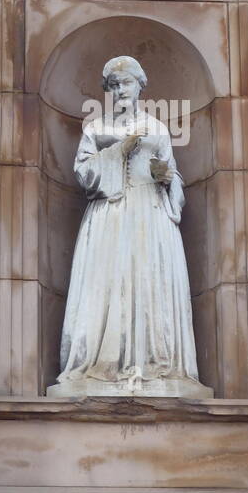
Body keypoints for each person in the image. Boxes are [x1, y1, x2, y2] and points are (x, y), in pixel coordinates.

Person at [56, 54, 200, 391]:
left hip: (151, 215)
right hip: (111, 214)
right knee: (108, 282)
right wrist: (120, 150)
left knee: (149, 280)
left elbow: (173, 174)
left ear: (139, 86)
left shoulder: (158, 128)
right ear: (107, 90)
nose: (121, 90)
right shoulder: (97, 129)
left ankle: (154, 363)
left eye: (127, 83)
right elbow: (83, 173)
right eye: (114, 85)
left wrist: (168, 179)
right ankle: (105, 362)